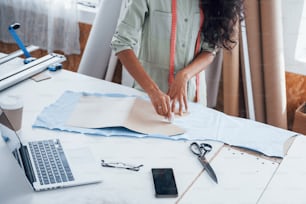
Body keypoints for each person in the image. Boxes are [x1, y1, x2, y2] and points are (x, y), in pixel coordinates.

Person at [111, 0, 244, 119]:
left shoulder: (213, 3)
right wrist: (153, 91)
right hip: (148, 101)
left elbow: (209, 51)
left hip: (194, 103)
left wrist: (184, 75)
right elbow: (122, 43)